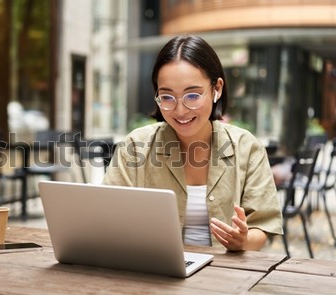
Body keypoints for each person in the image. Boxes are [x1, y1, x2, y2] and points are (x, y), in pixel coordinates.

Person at [102, 35, 283, 251]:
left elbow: (261, 227)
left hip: (225, 275)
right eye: (167, 97)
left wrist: (242, 241)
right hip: (154, 272)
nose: (180, 110)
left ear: (217, 89)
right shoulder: (135, 146)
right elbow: (107, 219)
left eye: (193, 95)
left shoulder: (247, 147)